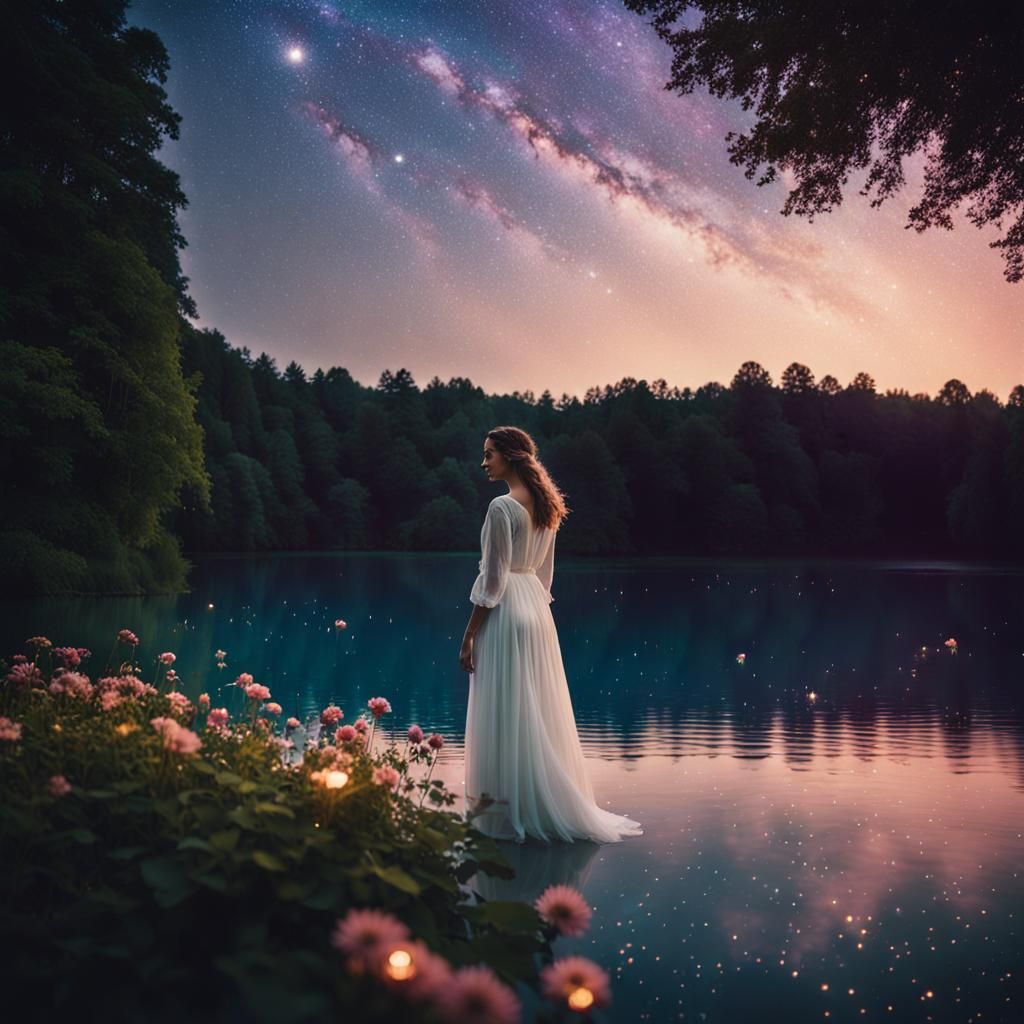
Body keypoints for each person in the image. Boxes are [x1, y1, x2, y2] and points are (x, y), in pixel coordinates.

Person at [459, 426, 642, 844]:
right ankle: (536, 802)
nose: (484, 462)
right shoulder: (547, 506)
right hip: (537, 611)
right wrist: (535, 609)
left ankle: (501, 814)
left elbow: (491, 582)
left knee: (504, 709)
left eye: (490, 454)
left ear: (511, 456)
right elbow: (544, 574)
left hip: (507, 610)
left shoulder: (502, 508)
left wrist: (469, 635)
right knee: (533, 708)